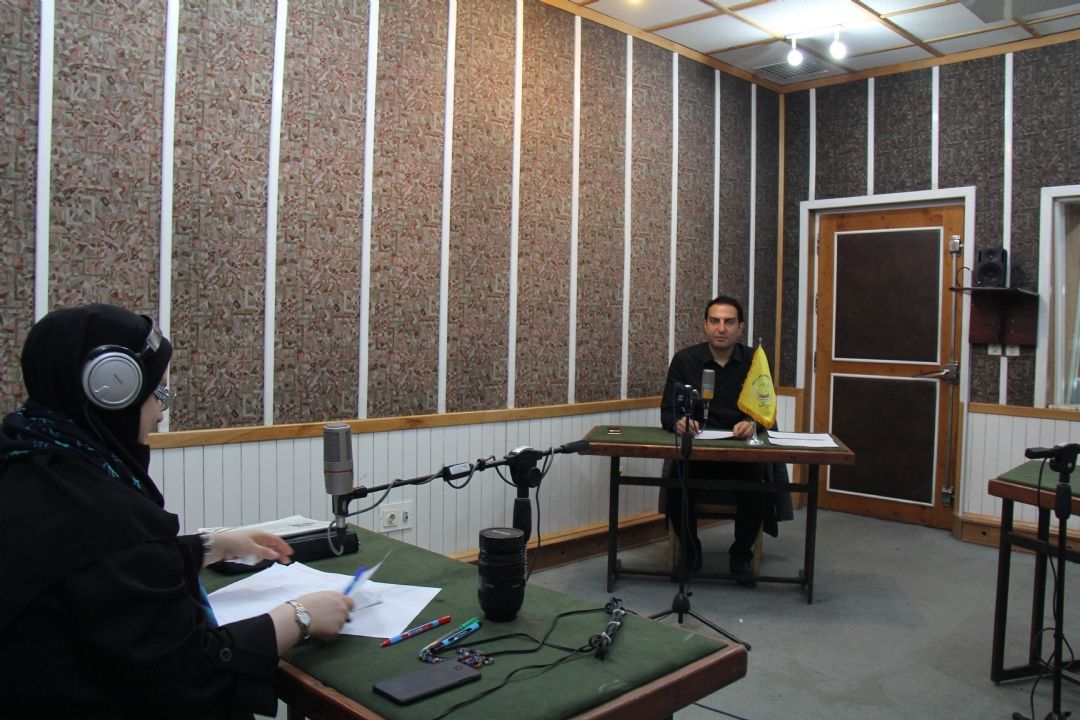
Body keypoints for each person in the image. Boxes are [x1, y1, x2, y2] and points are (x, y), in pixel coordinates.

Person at [0, 304, 354, 719]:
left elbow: (101, 576)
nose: (161, 411)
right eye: (159, 393)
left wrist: (211, 546)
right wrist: (300, 617)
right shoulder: (101, 514)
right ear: (110, 392)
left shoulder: (31, 462)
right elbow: (191, 671)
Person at [660, 294, 769, 587]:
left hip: (740, 453)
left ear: (740, 327)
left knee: (757, 488)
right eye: (715, 321)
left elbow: (765, 413)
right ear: (705, 325)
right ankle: (691, 553)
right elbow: (667, 411)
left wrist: (753, 424)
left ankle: (740, 557)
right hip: (697, 452)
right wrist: (679, 422)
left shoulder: (755, 361)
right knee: (676, 486)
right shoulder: (685, 360)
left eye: (729, 322)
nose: (721, 328)